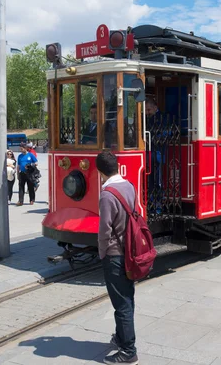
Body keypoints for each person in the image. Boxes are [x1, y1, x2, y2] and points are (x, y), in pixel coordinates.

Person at [95, 151, 139, 365]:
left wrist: (102, 252)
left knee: (121, 304)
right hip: (130, 251)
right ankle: (121, 337)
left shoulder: (107, 195)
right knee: (127, 298)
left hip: (114, 254)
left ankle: (129, 351)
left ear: (100, 171)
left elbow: (104, 230)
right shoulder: (129, 186)